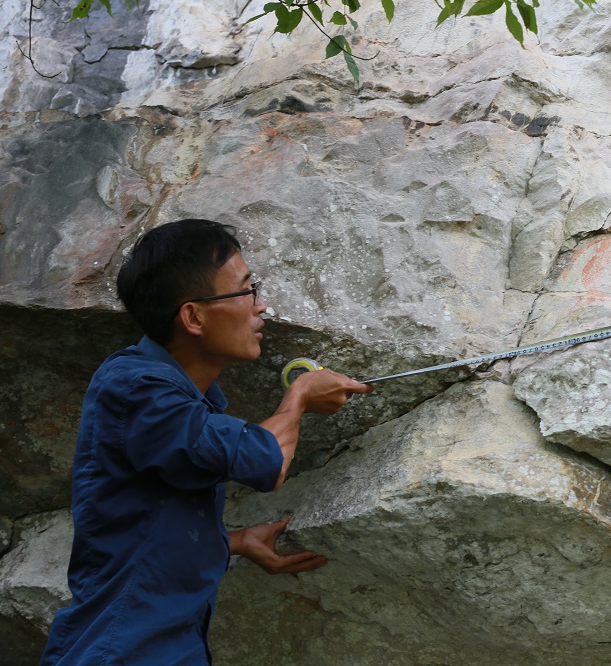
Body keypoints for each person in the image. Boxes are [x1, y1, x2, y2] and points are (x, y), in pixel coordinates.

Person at [40, 219, 374, 664]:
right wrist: (299, 397)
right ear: (193, 316)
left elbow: (143, 521)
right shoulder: (138, 390)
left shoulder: (180, 395)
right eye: (246, 291)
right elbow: (265, 462)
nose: (262, 307)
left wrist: (230, 542)